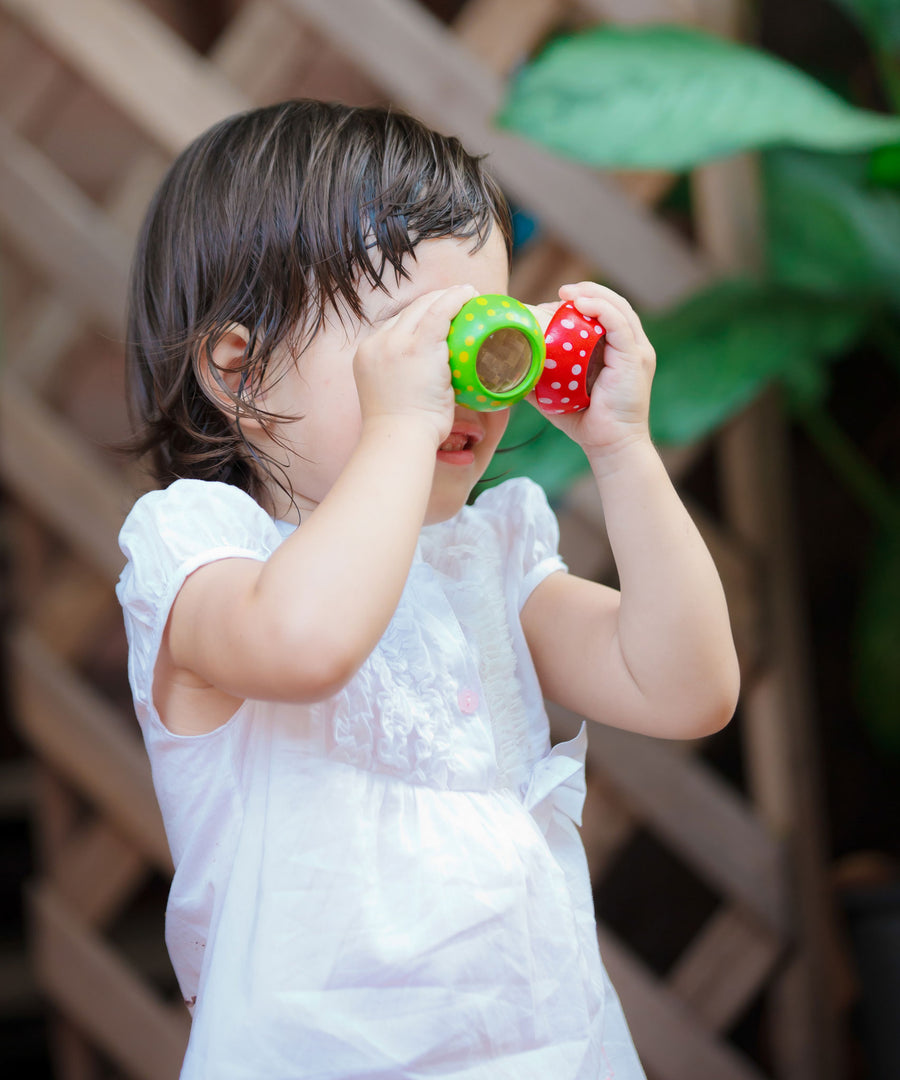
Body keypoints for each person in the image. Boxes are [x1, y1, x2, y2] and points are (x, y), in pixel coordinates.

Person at [116, 100, 739, 1080]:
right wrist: (402, 422)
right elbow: (307, 647)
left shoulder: (485, 558)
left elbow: (685, 688)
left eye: (480, 330)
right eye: (419, 339)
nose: (466, 378)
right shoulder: (201, 556)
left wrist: (621, 448)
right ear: (238, 371)